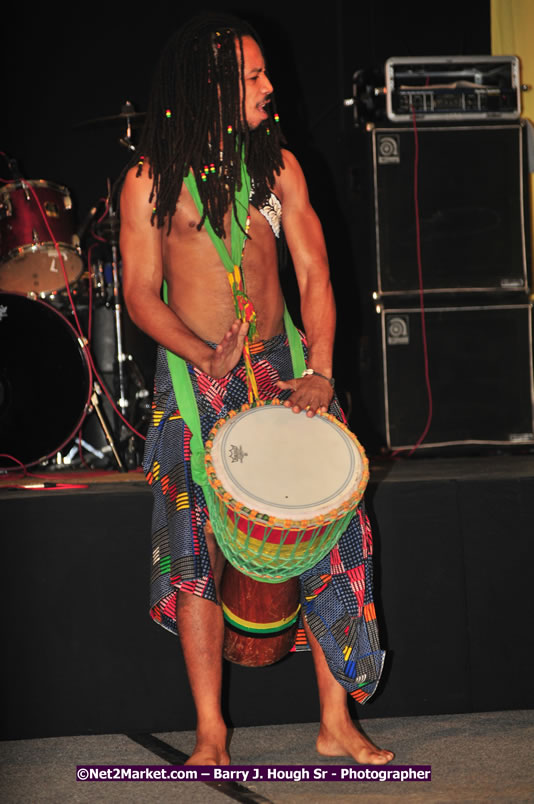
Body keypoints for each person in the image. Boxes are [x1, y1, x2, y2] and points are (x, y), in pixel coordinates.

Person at [120, 12, 394, 767]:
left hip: (285, 370)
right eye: (252, 76)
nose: (271, 85)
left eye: (264, 72)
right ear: (210, 88)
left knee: (334, 529)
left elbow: (315, 274)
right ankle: (211, 732)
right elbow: (141, 293)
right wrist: (203, 355)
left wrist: (322, 371)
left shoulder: (278, 169)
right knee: (194, 547)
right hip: (193, 377)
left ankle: (335, 722)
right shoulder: (150, 180)